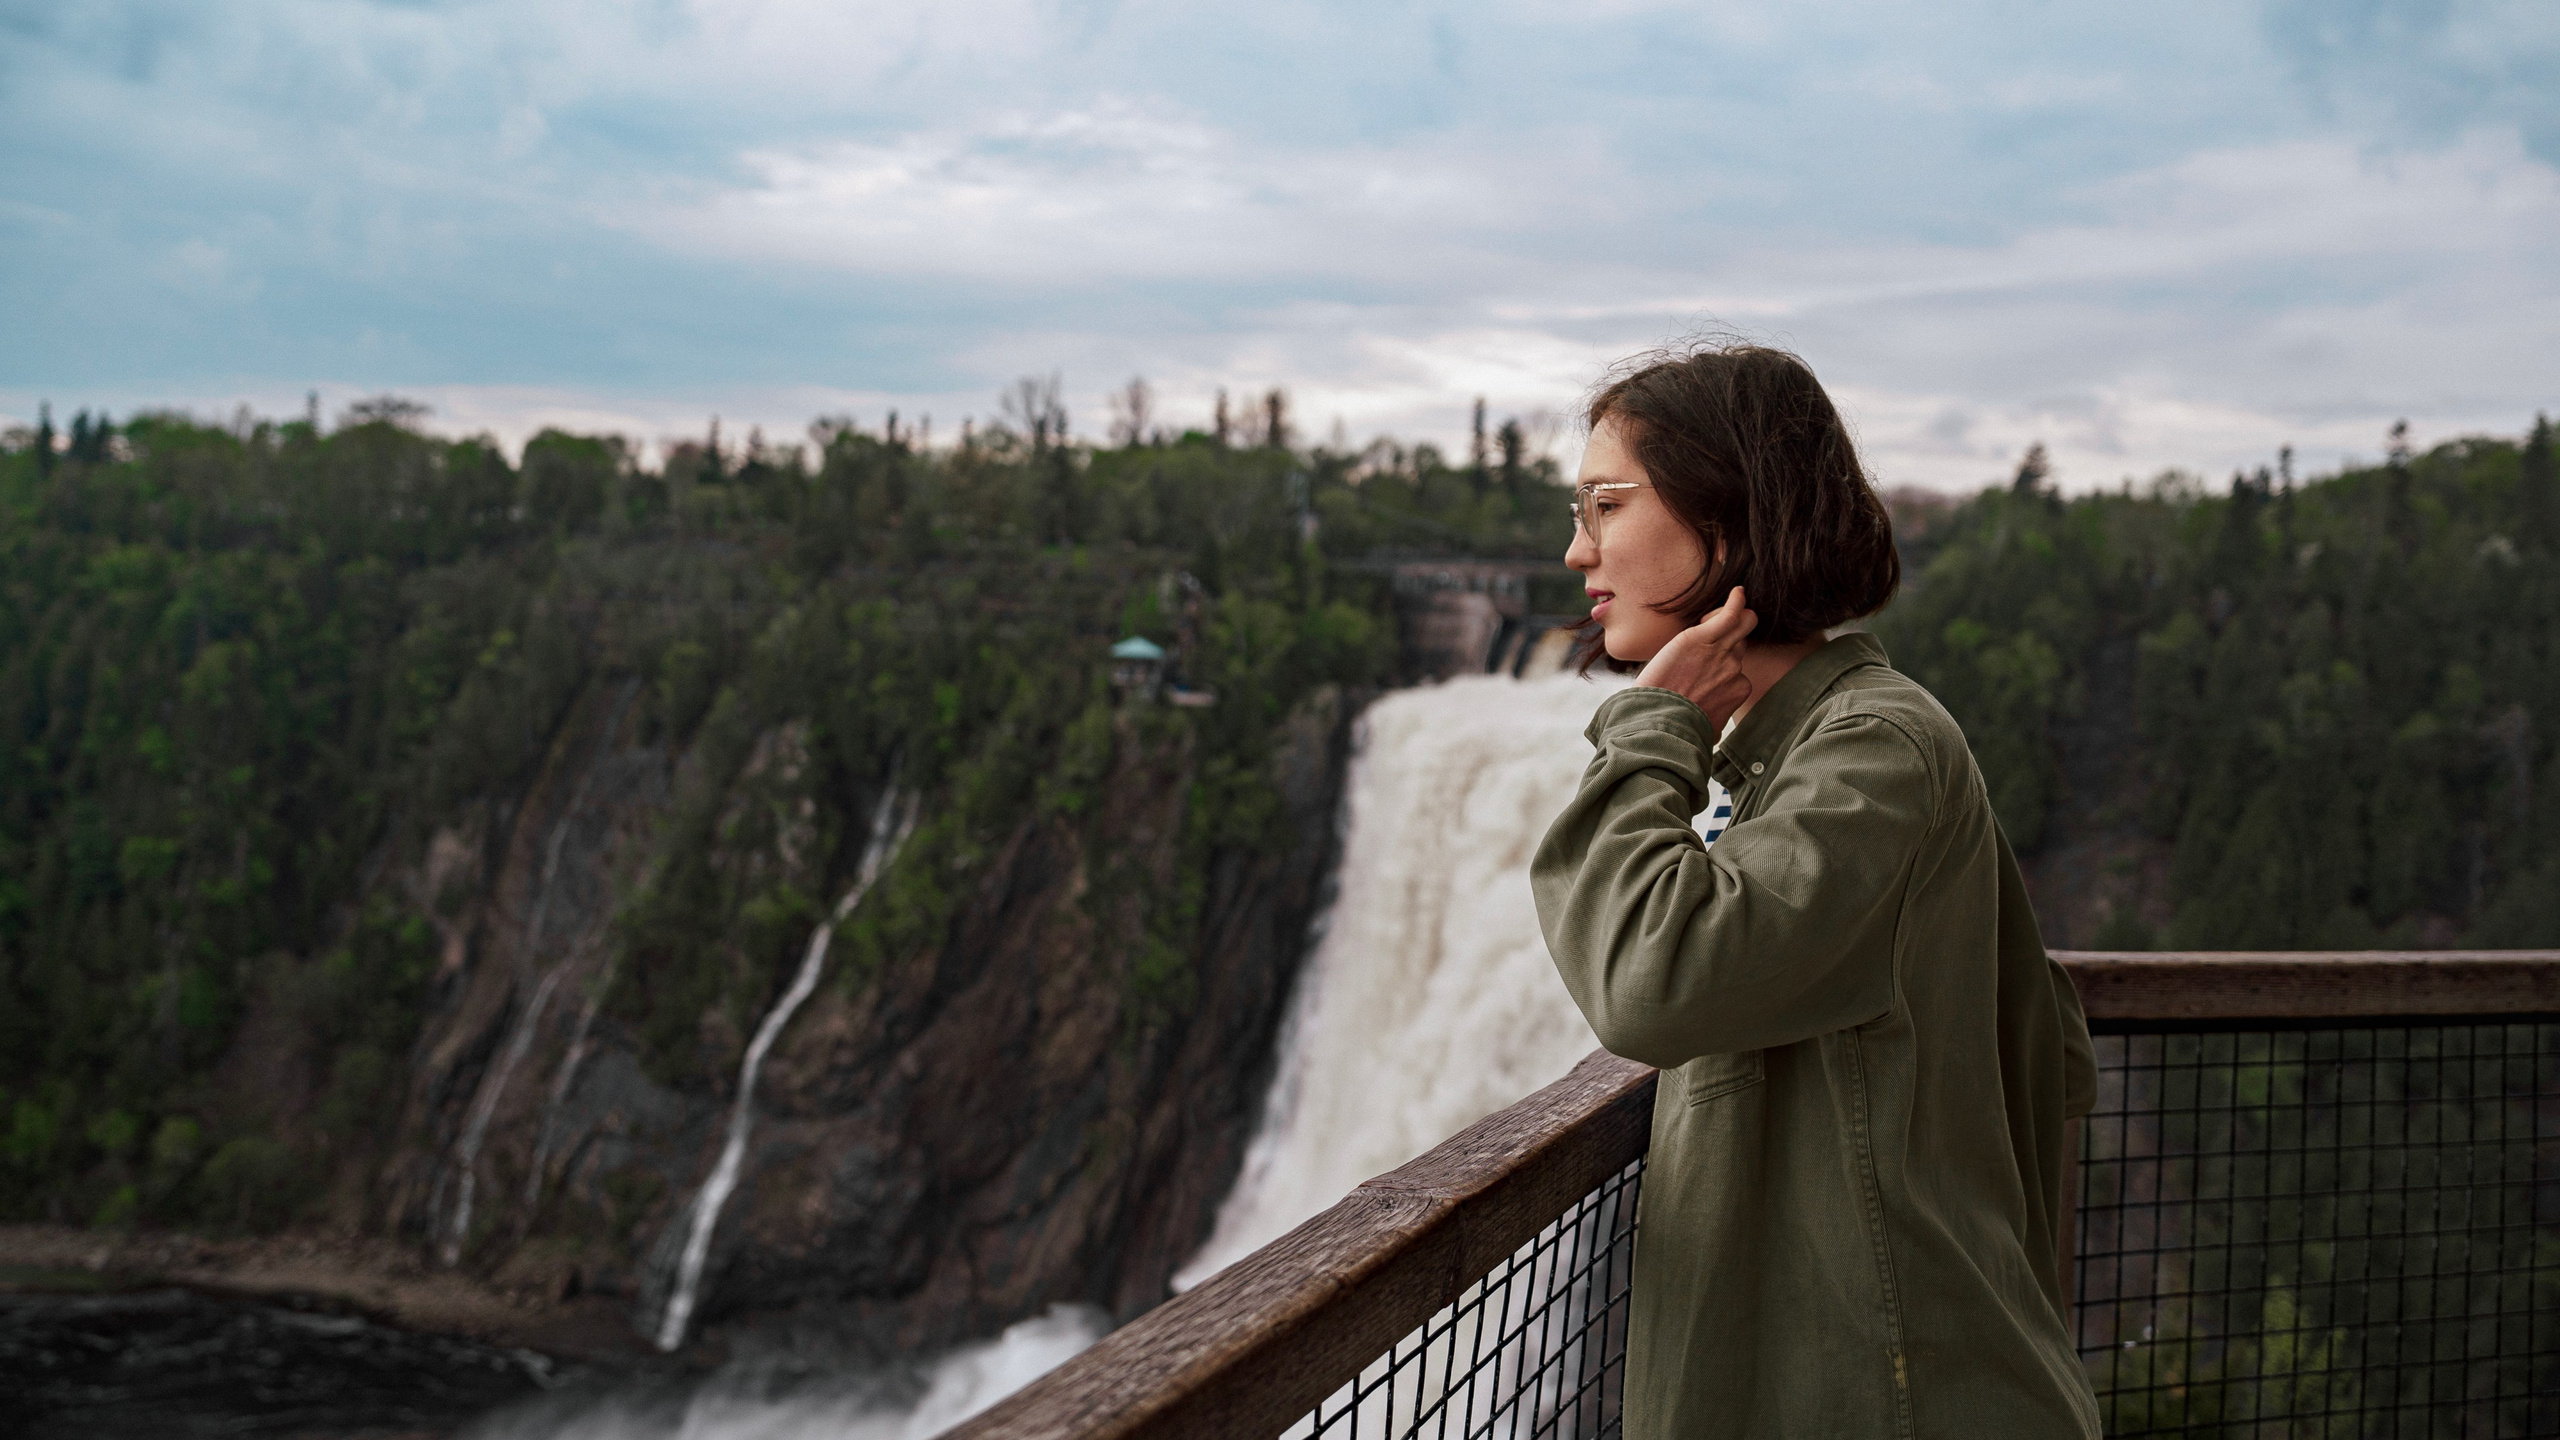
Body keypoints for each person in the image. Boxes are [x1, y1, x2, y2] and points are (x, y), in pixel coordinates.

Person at [1532, 343, 2100, 1438]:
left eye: (1606, 505)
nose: (1576, 550)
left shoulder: (1875, 750)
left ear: (1731, 519)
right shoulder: (1799, 760)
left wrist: (1655, 727)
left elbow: (1650, 984)